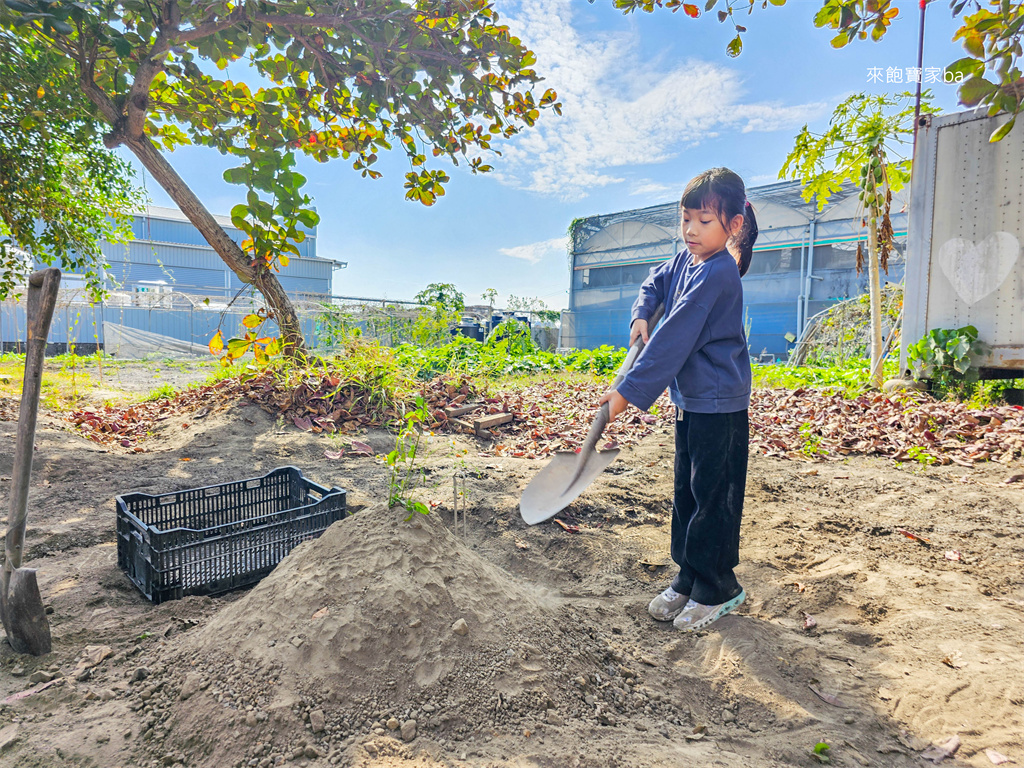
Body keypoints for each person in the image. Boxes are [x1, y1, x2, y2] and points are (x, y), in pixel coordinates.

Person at [598, 167, 758, 632]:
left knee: (714, 496)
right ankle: (688, 575)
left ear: (732, 225)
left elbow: (674, 339)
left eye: (703, 221)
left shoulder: (718, 274)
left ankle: (718, 586)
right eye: (685, 219)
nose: (690, 230)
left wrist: (624, 395)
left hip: (720, 403)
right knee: (687, 493)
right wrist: (641, 314)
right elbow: (655, 280)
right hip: (691, 400)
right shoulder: (687, 261)